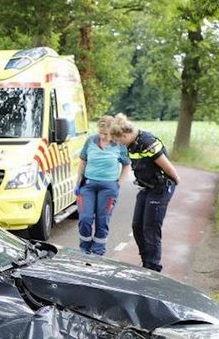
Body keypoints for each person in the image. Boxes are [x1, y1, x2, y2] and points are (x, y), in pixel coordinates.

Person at [109, 114, 181, 272]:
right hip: (146, 187)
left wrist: (175, 180)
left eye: (119, 140)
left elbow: (167, 166)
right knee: (137, 226)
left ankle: (153, 267)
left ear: (125, 135)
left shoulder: (147, 142)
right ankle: (146, 262)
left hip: (161, 187)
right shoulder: (131, 144)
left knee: (151, 227)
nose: (119, 144)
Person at [74, 115, 129, 255]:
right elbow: (82, 161)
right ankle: (85, 249)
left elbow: (126, 165)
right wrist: (77, 181)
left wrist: (119, 185)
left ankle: (98, 252)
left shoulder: (119, 145)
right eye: (101, 133)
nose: (103, 137)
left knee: (102, 220)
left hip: (108, 187)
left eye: (106, 134)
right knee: (85, 218)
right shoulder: (91, 141)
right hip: (88, 185)